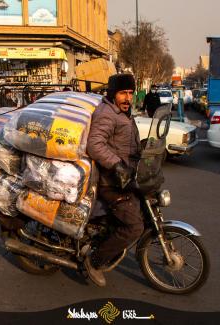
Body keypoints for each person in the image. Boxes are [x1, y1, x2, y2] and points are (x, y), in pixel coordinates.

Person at [86, 74, 144, 287]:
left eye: (130, 92)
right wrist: (117, 164)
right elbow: (95, 145)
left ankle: (106, 238)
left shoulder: (123, 112)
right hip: (111, 182)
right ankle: (95, 261)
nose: (128, 97)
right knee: (134, 227)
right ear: (113, 94)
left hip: (125, 177)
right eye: (123, 93)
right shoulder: (107, 114)